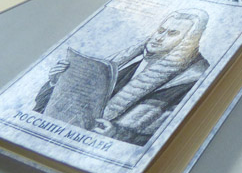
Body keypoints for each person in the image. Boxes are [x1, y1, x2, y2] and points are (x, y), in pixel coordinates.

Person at [34, 9, 211, 146]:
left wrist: (117, 134)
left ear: (189, 40)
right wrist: (56, 83)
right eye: (161, 30)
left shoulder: (192, 80)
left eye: (172, 34)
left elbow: (171, 137)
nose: (159, 38)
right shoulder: (126, 64)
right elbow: (48, 109)